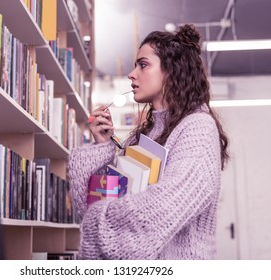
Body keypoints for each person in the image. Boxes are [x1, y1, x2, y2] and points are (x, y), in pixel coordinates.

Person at [68, 24, 229, 260]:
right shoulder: (140, 136)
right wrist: (102, 145)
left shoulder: (198, 127)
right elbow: (91, 207)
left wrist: (99, 218)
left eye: (143, 65)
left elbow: (165, 206)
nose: (131, 74)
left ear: (172, 71)